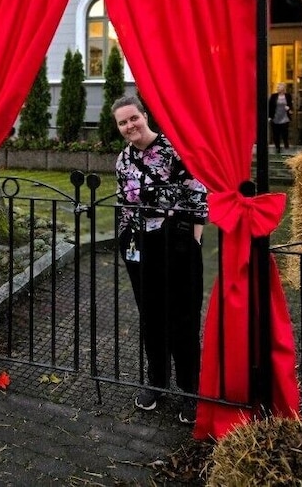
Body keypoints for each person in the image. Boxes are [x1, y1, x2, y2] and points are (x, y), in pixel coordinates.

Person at [112, 95, 207, 425]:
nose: (130, 126)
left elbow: (198, 194)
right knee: (151, 316)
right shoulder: (123, 160)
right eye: (123, 122)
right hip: (139, 246)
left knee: (183, 316)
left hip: (177, 243)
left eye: (133, 118)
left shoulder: (173, 149)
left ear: (144, 115)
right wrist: (126, 243)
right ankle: (157, 382)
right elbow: (123, 202)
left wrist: (193, 240)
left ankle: (191, 389)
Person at [268, 82, 293, 154]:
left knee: (285, 133)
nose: (277, 88)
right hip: (275, 117)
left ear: (283, 88)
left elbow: (290, 104)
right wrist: (270, 117)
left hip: (285, 117)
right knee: (276, 134)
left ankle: (286, 145)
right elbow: (270, 107)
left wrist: (289, 108)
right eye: (277, 87)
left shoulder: (288, 96)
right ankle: (277, 148)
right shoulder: (274, 96)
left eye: (279, 87)